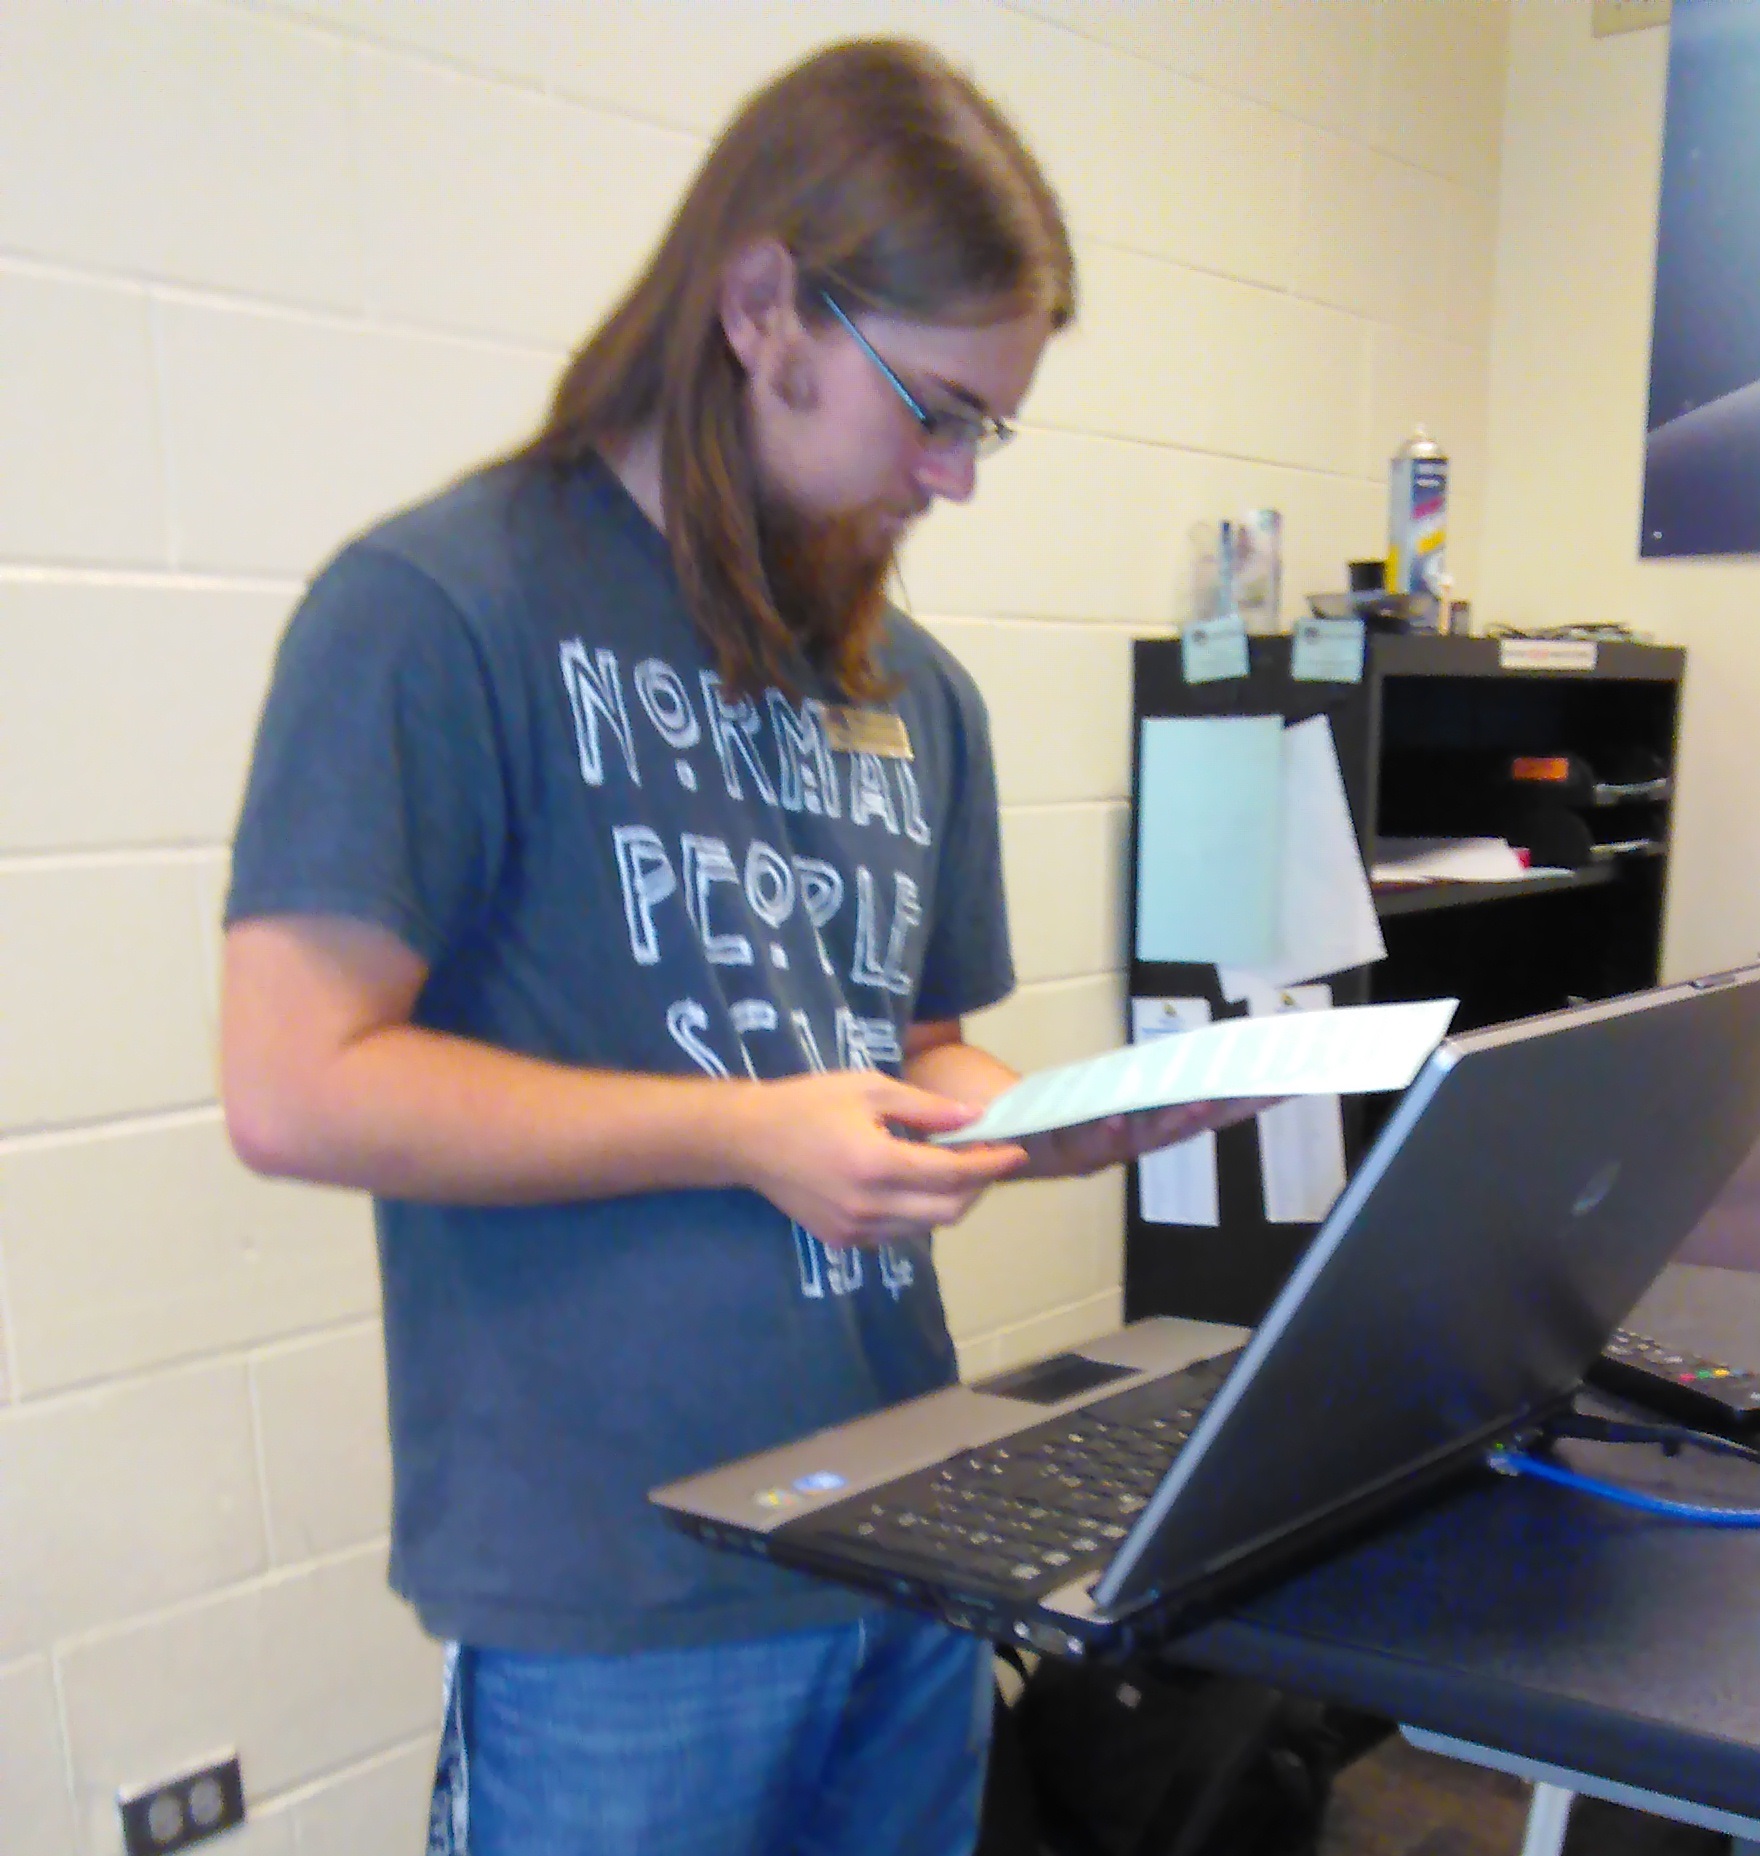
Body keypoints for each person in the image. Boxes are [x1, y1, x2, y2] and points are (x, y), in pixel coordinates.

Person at [220, 37, 1254, 1856]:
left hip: (904, 1532)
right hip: (620, 1591)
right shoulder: (438, 608)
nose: (956, 480)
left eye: (987, 426)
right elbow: (296, 1087)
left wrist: (1066, 1120)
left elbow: (907, 1050)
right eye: (932, 407)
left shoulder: (913, 688)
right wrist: (741, 1130)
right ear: (763, 307)